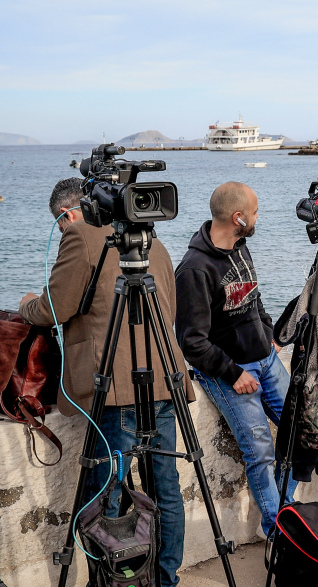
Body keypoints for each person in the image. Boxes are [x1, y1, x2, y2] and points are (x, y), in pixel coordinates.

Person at [19, 178, 192, 586]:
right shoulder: (148, 236)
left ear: (69, 213)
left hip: (116, 388)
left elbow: (54, 307)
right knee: (165, 491)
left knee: (105, 496)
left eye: (60, 225)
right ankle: (165, 579)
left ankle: (113, 580)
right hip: (165, 381)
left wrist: (28, 304)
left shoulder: (81, 233)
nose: (63, 233)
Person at [175, 181, 295, 539]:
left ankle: (288, 510)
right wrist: (233, 373)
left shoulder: (241, 247)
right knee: (260, 451)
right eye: (255, 212)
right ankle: (277, 531)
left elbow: (254, 298)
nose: (259, 217)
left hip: (266, 360)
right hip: (229, 372)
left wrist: (268, 334)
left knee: (299, 430)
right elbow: (191, 342)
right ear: (238, 217)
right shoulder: (193, 269)